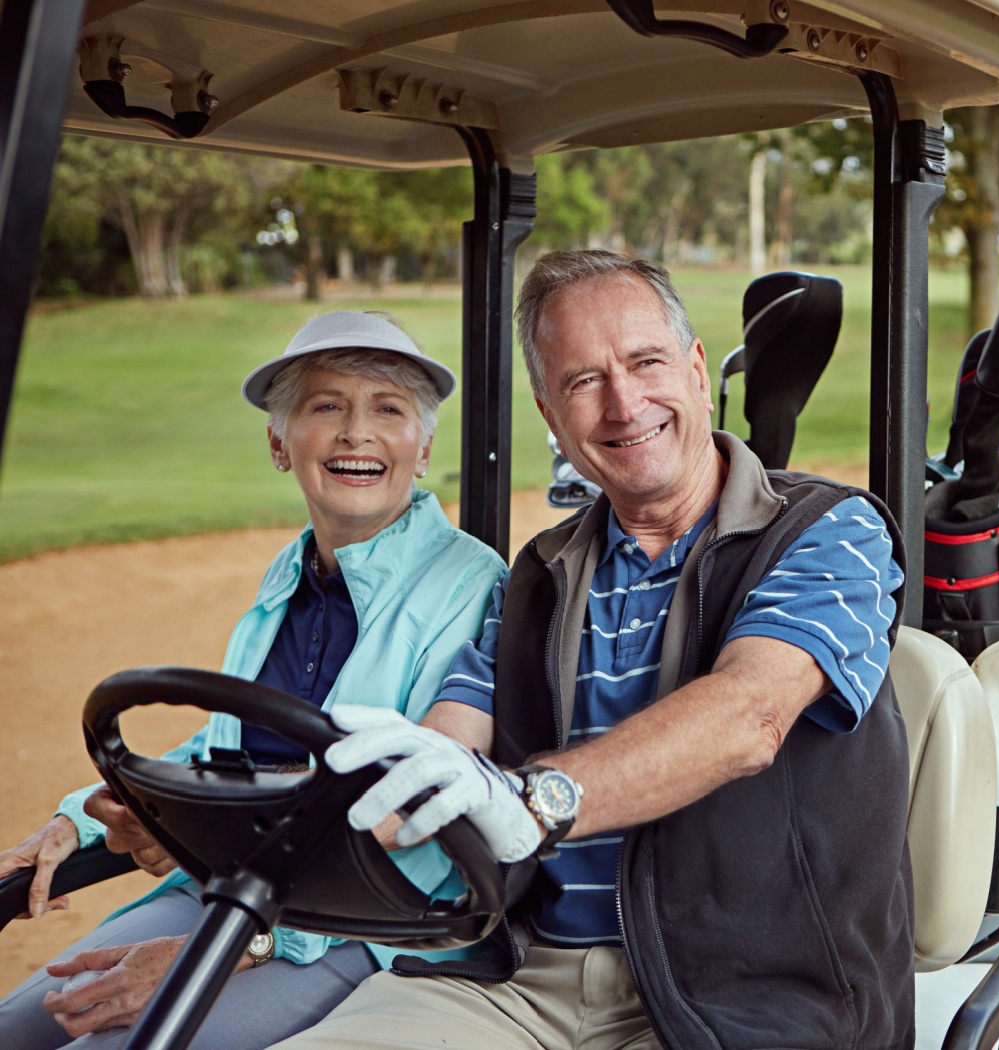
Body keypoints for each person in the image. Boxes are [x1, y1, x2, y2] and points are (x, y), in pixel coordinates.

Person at [269, 250, 912, 1050]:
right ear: (549, 410)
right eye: (582, 382)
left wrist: (535, 801)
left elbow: (751, 714)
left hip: (745, 996)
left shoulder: (827, 531)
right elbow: (451, 731)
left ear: (696, 367)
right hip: (520, 980)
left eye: (645, 363)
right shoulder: (541, 573)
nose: (623, 403)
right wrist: (341, 800)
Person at [0, 312, 506, 1049]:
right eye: (325, 405)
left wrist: (235, 946)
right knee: (17, 1029)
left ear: (423, 446)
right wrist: (82, 815)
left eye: (388, 409)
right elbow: (236, 743)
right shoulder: (293, 573)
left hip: (364, 928)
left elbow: (415, 811)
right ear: (279, 442)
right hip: (241, 892)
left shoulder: (471, 583)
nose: (355, 432)